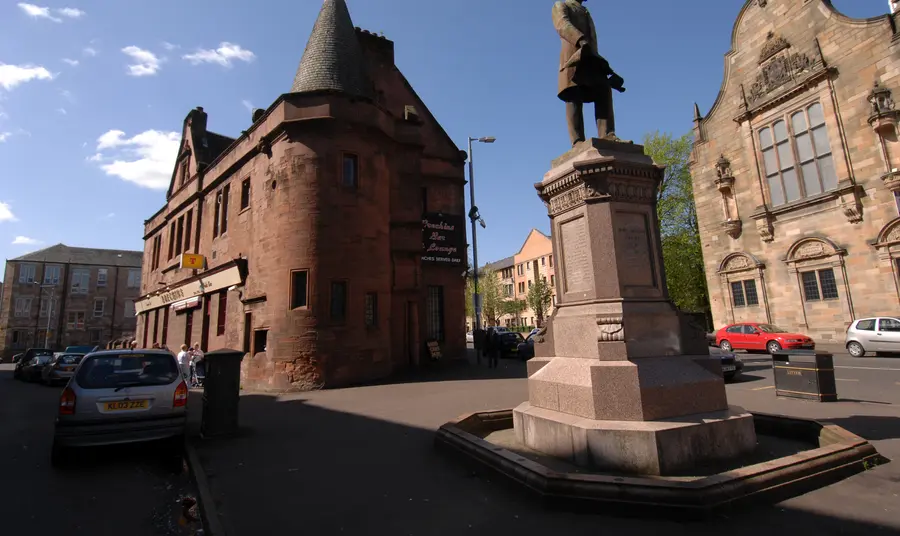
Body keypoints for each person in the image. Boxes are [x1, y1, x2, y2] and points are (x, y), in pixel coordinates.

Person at [552, 0, 626, 146]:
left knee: (604, 89)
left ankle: (607, 134)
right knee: (573, 95)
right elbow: (562, 24)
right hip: (573, 56)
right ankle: (578, 141)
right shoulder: (561, 5)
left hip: (591, 58)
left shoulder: (585, 10)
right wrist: (580, 40)